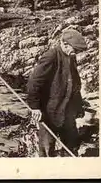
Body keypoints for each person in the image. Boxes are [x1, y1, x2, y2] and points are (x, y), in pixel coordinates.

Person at [26, 29, 87, 157]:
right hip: (50, 111)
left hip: (67, 110)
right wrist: (35, 107)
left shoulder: (71, 56)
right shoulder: (51, 56)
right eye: (74, 49)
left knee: (71, 143)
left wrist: (79, 105)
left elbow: (74, 83)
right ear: (64, 44)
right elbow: (34, 82)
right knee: (47, 147)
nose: (76, 53)